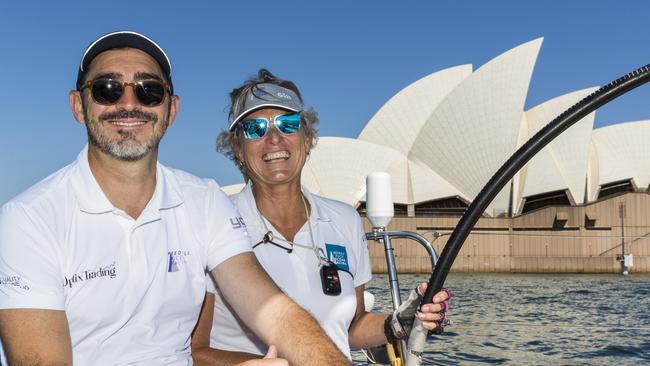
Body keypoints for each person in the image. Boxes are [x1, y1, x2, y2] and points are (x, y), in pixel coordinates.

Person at [0, 31, 350, 366]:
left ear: (171, 109)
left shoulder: (204, 201)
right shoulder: (28, 220)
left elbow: (276, 313)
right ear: (79, 106)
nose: (129, 103)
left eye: (149, 90)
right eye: (107, 89)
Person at [191, 69, 451, 364]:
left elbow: (350, 328)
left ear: (307, 138)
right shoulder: (214, 221)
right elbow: (194, 350)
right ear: (237, 148)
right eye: (255, 129)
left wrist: (396, 323)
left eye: (288, 124)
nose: (274, 138)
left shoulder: (344, 220)